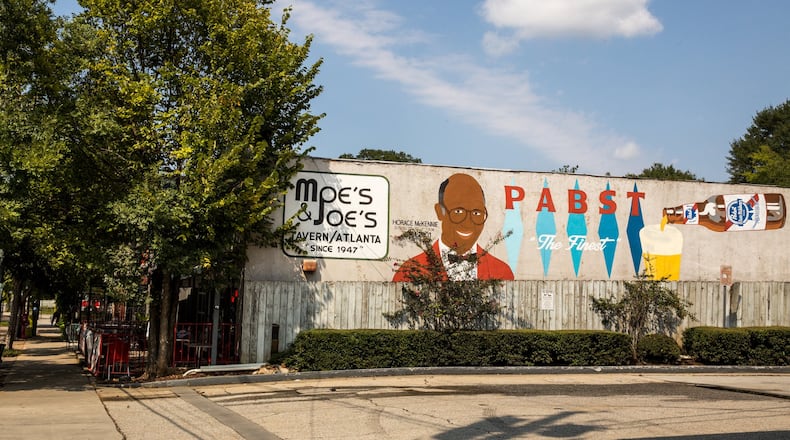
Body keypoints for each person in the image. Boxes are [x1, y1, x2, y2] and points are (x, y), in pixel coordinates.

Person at [393, 173, 514, 282]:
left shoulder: (502, 272)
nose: (467, 223)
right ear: (440, 212)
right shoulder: (410, 272)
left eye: (477, 213)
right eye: (458, 211)